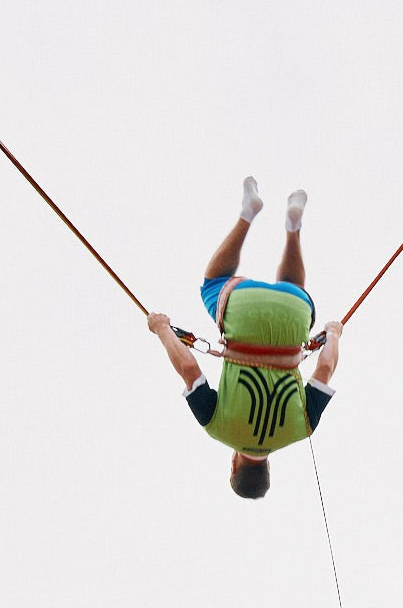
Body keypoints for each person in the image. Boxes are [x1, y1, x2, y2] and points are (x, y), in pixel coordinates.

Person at [145, 178, 339, 498]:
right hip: (242, 307)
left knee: (292, 289)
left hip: (292, 314)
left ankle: (293, 226)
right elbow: (190, 370)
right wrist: (162, 329)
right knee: (212, 282)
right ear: (234, 465)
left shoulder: (300, 430)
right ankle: (248, 214)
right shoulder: (217, 428)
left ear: (266, 468)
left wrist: (334, 333)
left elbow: (326, 367)